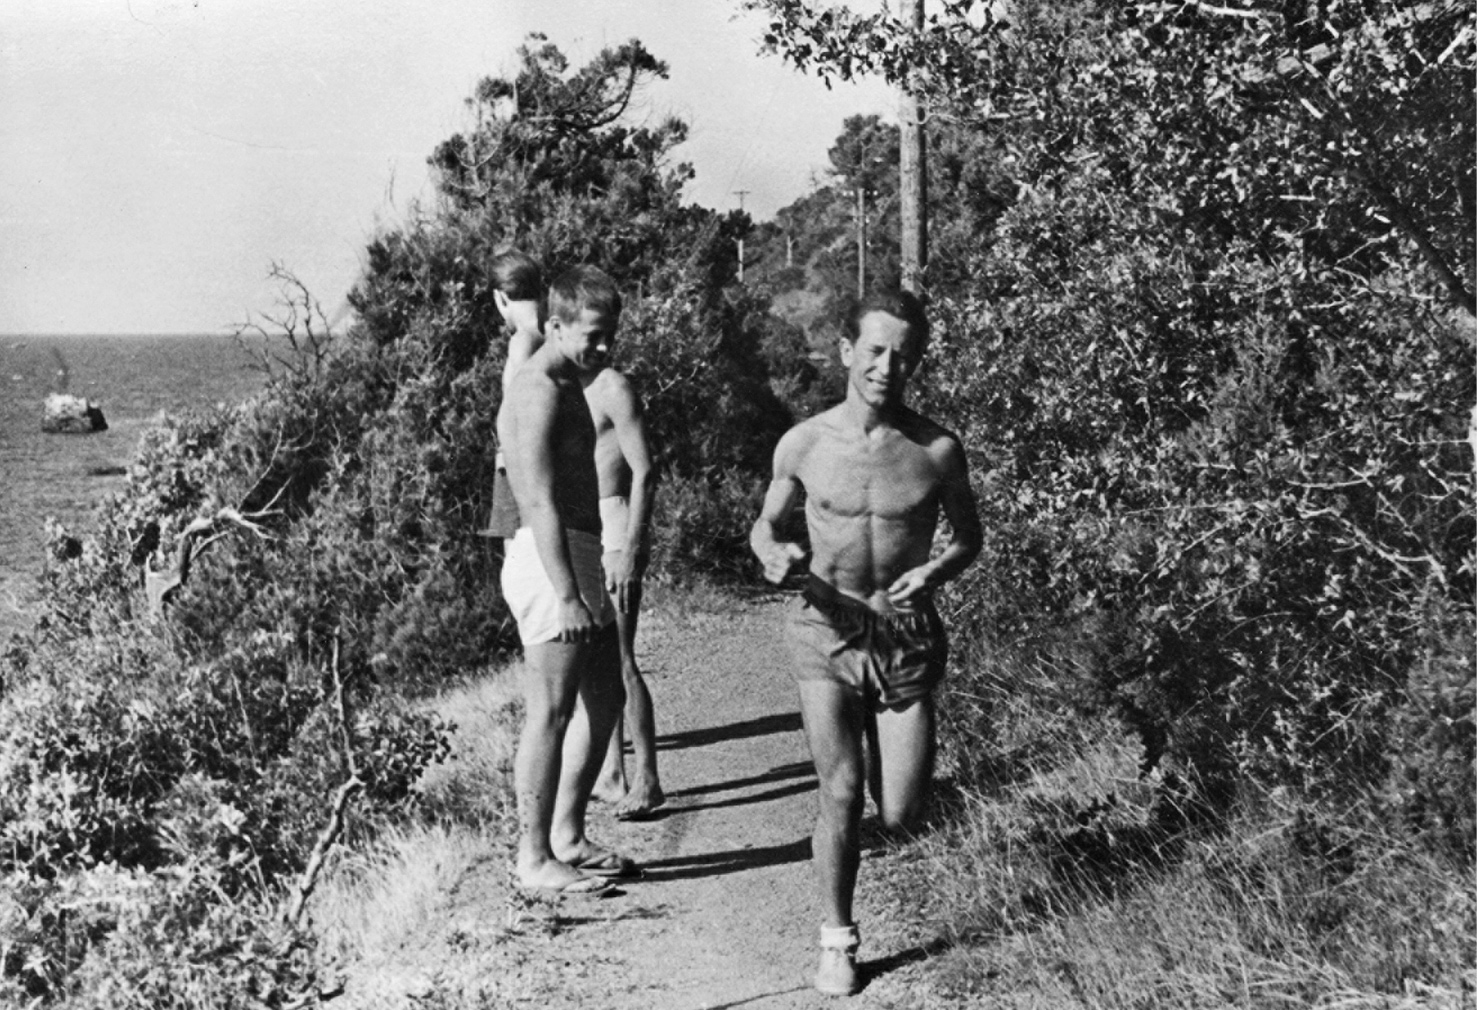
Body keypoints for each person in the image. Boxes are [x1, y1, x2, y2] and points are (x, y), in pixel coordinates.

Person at [749, 290, 981, 996]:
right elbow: (763, 525)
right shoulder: (804, 442)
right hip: (825, 630)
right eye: (874, 350)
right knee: (840, 792)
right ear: (847, 351)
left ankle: (855, 865)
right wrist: (771, 552)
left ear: (916, 359)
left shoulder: (936, 449)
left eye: (902, 354)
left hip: (905, 634)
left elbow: (969, 539)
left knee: (902, 812)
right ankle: (836, 940)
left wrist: (935, 568)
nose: (887, 366)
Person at [498, 266, 640, 894]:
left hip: (577, 550)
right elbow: (535, 500)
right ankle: (533, 858)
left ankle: (567, 835)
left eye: (611, 336)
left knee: (607, 695)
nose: (605, 349)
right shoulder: (538, 390)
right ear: (553, 326)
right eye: (593, 336)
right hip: (548, 559)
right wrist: (566, 594)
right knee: (550, 711)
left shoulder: (565, 380)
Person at [584, 361, 663, 819]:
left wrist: (631, 548)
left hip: (614, 524)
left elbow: (644, 470)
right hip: (583, 527)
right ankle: (612, 773)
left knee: (621, 658)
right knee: (595, 660)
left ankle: (648, 779)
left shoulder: (613, 386)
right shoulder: (559, 383)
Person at [485, 250, 545, 541]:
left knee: (520, 558)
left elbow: (523, 418)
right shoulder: (556, 334)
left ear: (501, 298)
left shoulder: (523, 342)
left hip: (521, 469)